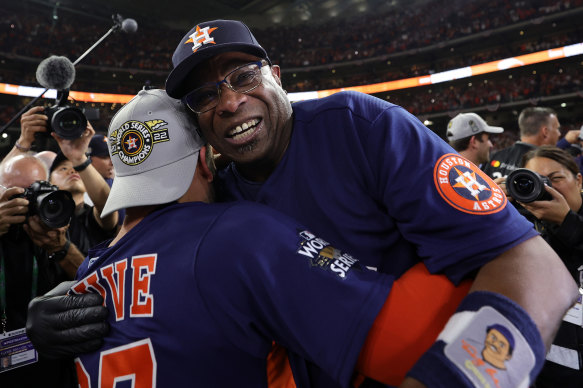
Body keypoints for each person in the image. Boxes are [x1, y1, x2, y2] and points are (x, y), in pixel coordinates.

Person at [27, 20, 577, 387]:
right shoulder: (219, 193)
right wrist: (72, 294)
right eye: (204, 95)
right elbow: (148, 251)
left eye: (243, 75)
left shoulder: (361, 127)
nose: (230, 100)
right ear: (196, 126)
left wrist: (462, 375)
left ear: (277, 78)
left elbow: (538, 269)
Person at [0, 155, 79, 387]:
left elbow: (92, 282)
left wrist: (61, 248)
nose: (32, 201)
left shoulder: (56, 230)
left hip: (50, 365)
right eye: (23, 193)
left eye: (40, 190)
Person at [512, 146, 583, 388]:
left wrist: (567, 222)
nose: (545, 188)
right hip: (544, 368)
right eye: (533, 180)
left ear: (579, 179)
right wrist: (492, 208)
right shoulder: (517, 224)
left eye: (555, 179)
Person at [483, 106, 561, 179]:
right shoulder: (546, 163)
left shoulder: (495, 156)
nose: (559, 134)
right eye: (557, 128)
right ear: (545, 132)